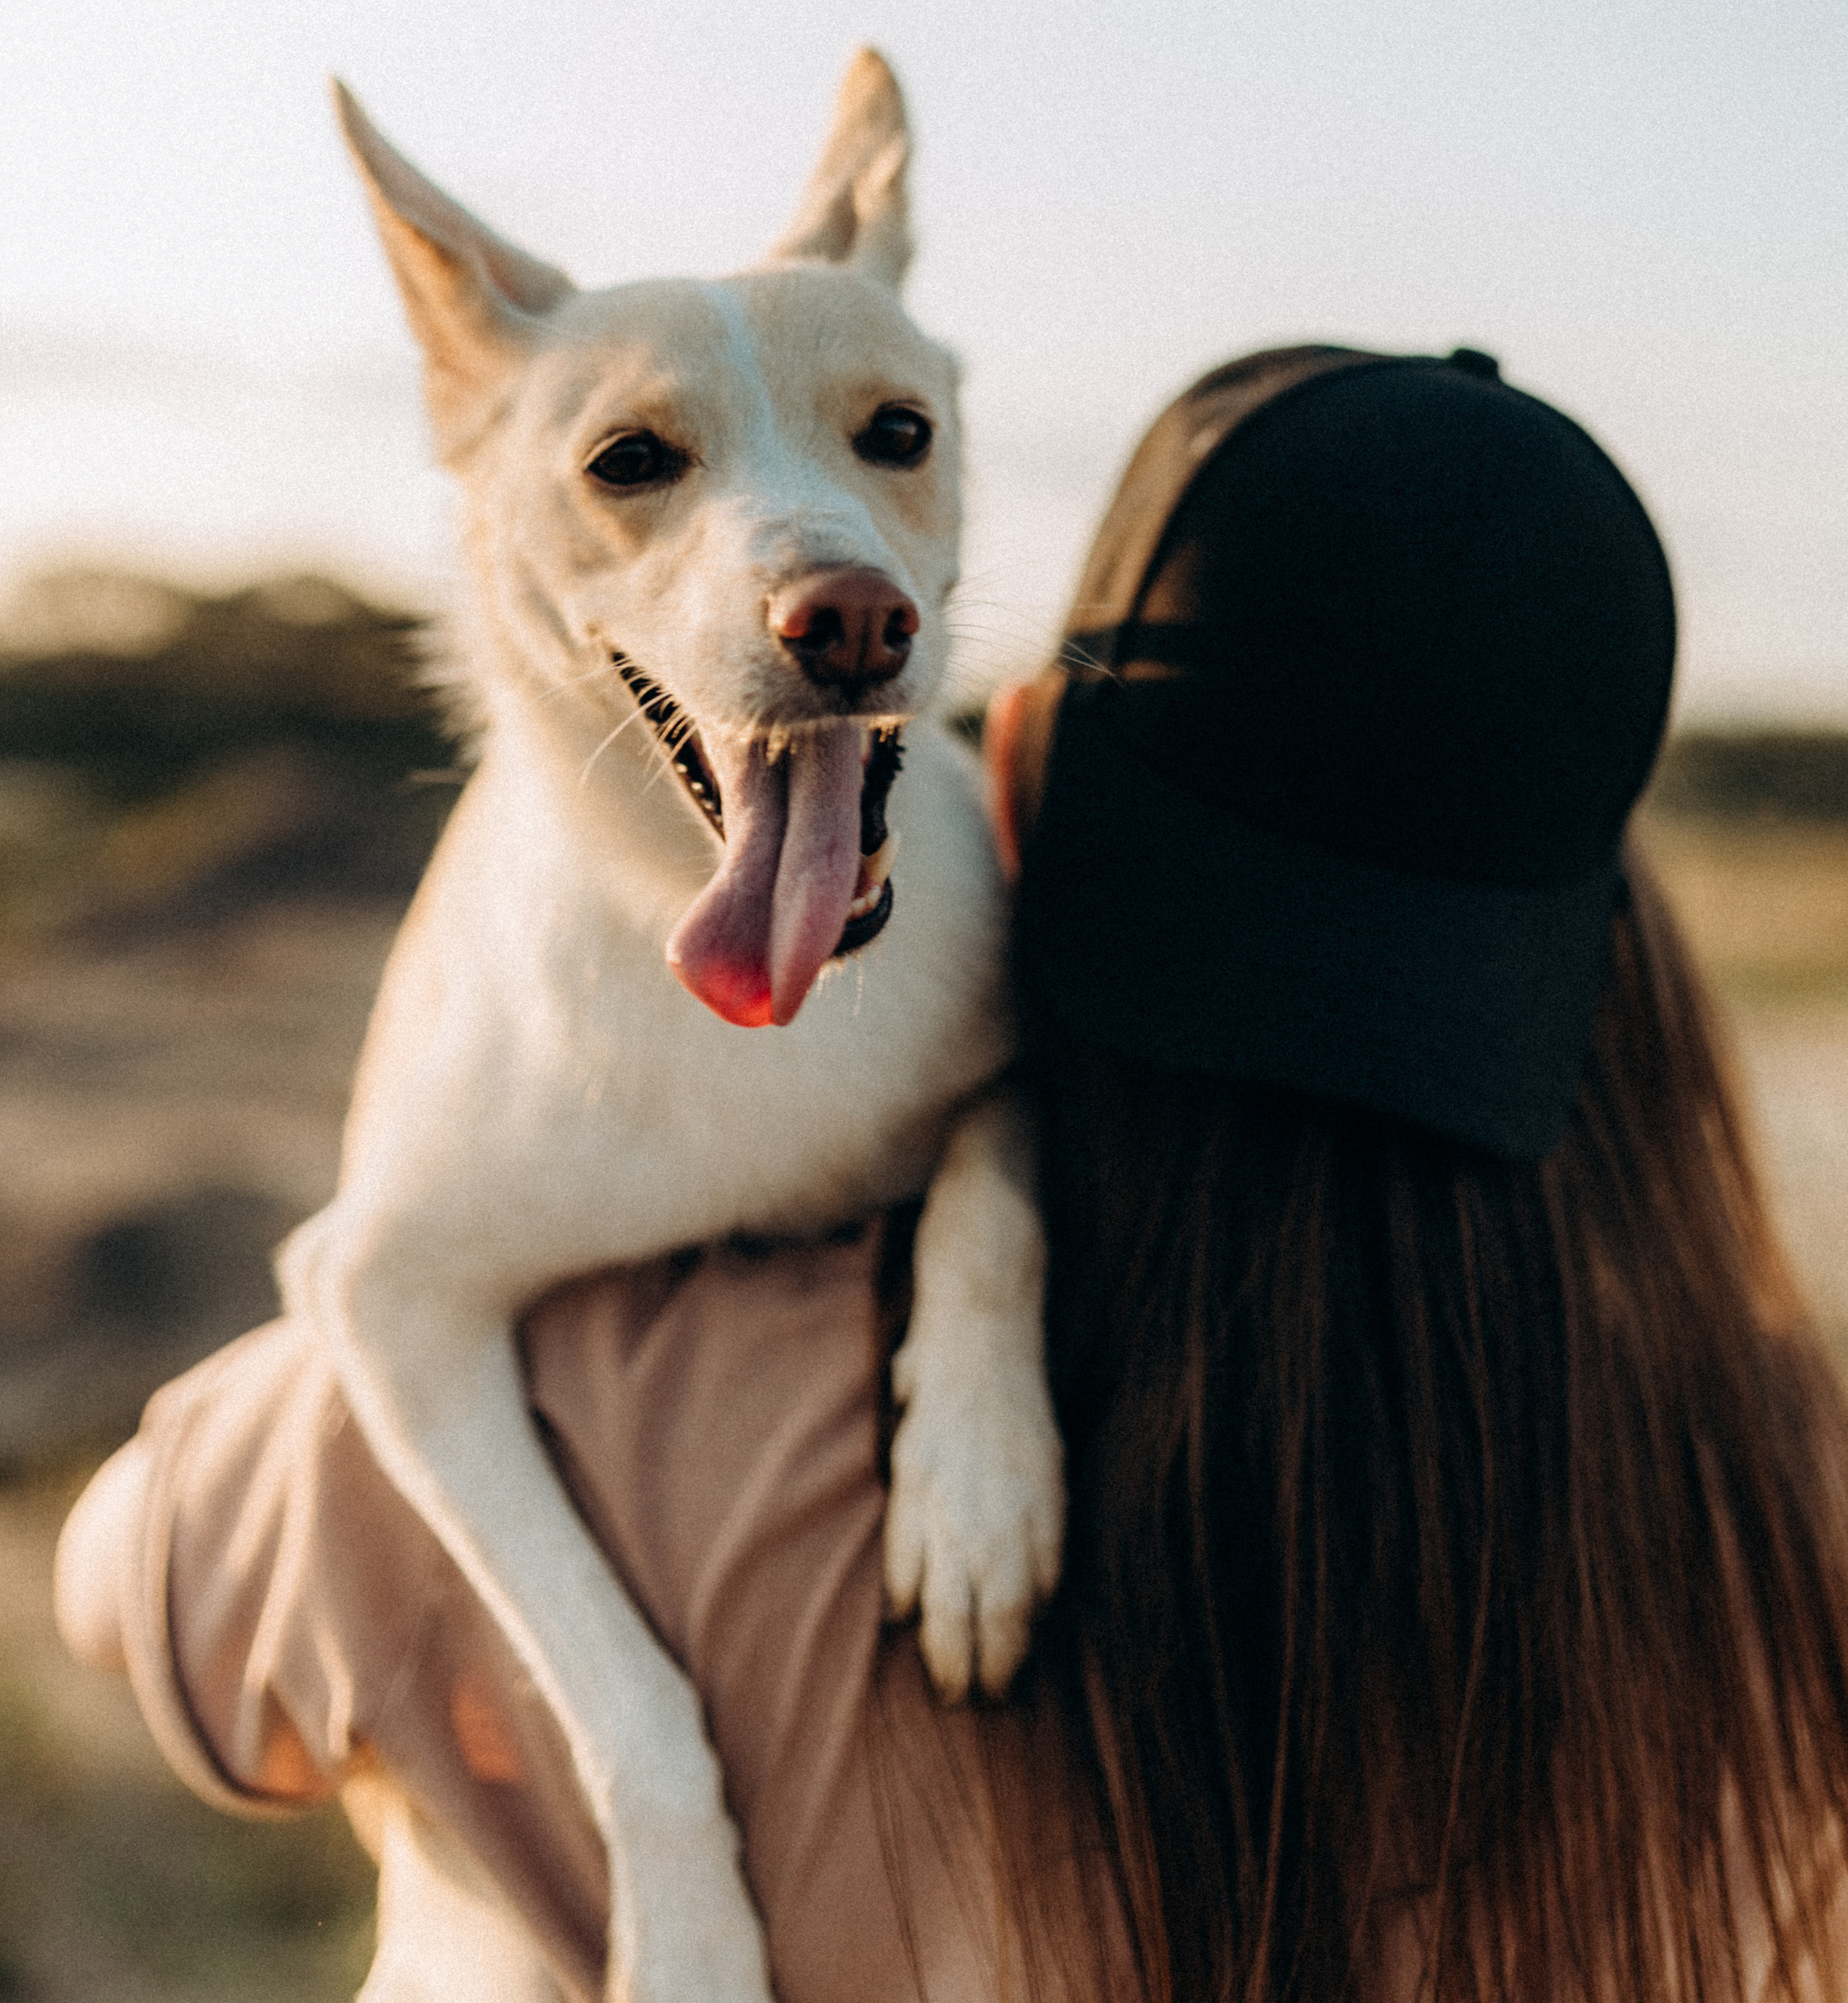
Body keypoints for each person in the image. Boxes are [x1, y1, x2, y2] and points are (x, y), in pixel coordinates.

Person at [58, 344, 1848, 2003]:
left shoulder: (623, 1403)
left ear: (1030, 775)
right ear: (1608, 946)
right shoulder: (1780, 1508)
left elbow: (120, 1578)